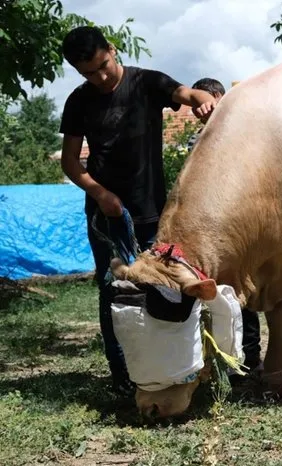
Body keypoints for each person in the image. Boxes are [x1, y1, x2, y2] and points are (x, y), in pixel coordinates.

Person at [58, 25, 218, 396]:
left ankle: (174, 366)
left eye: (103, 65)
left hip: (153, 215)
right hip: (107, 218)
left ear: (112, 50)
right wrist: (100, 194)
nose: (99, 77)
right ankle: (123, 376)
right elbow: (70, 162)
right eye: (88, 73)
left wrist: (203, 100)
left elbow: (184, 93)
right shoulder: (79, 101)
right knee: (114, 292)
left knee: (169, 289)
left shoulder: (146, 83)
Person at [186, 77, 263, 376]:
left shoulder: (245, 135)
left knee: (244, 293)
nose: (200, 112)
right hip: (206, 233)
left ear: (219, 97)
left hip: (240, 231)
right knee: (210, 298)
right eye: (196, 108)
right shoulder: (197, 141)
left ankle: (251, 359)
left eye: (205, 102)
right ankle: (215, 359)